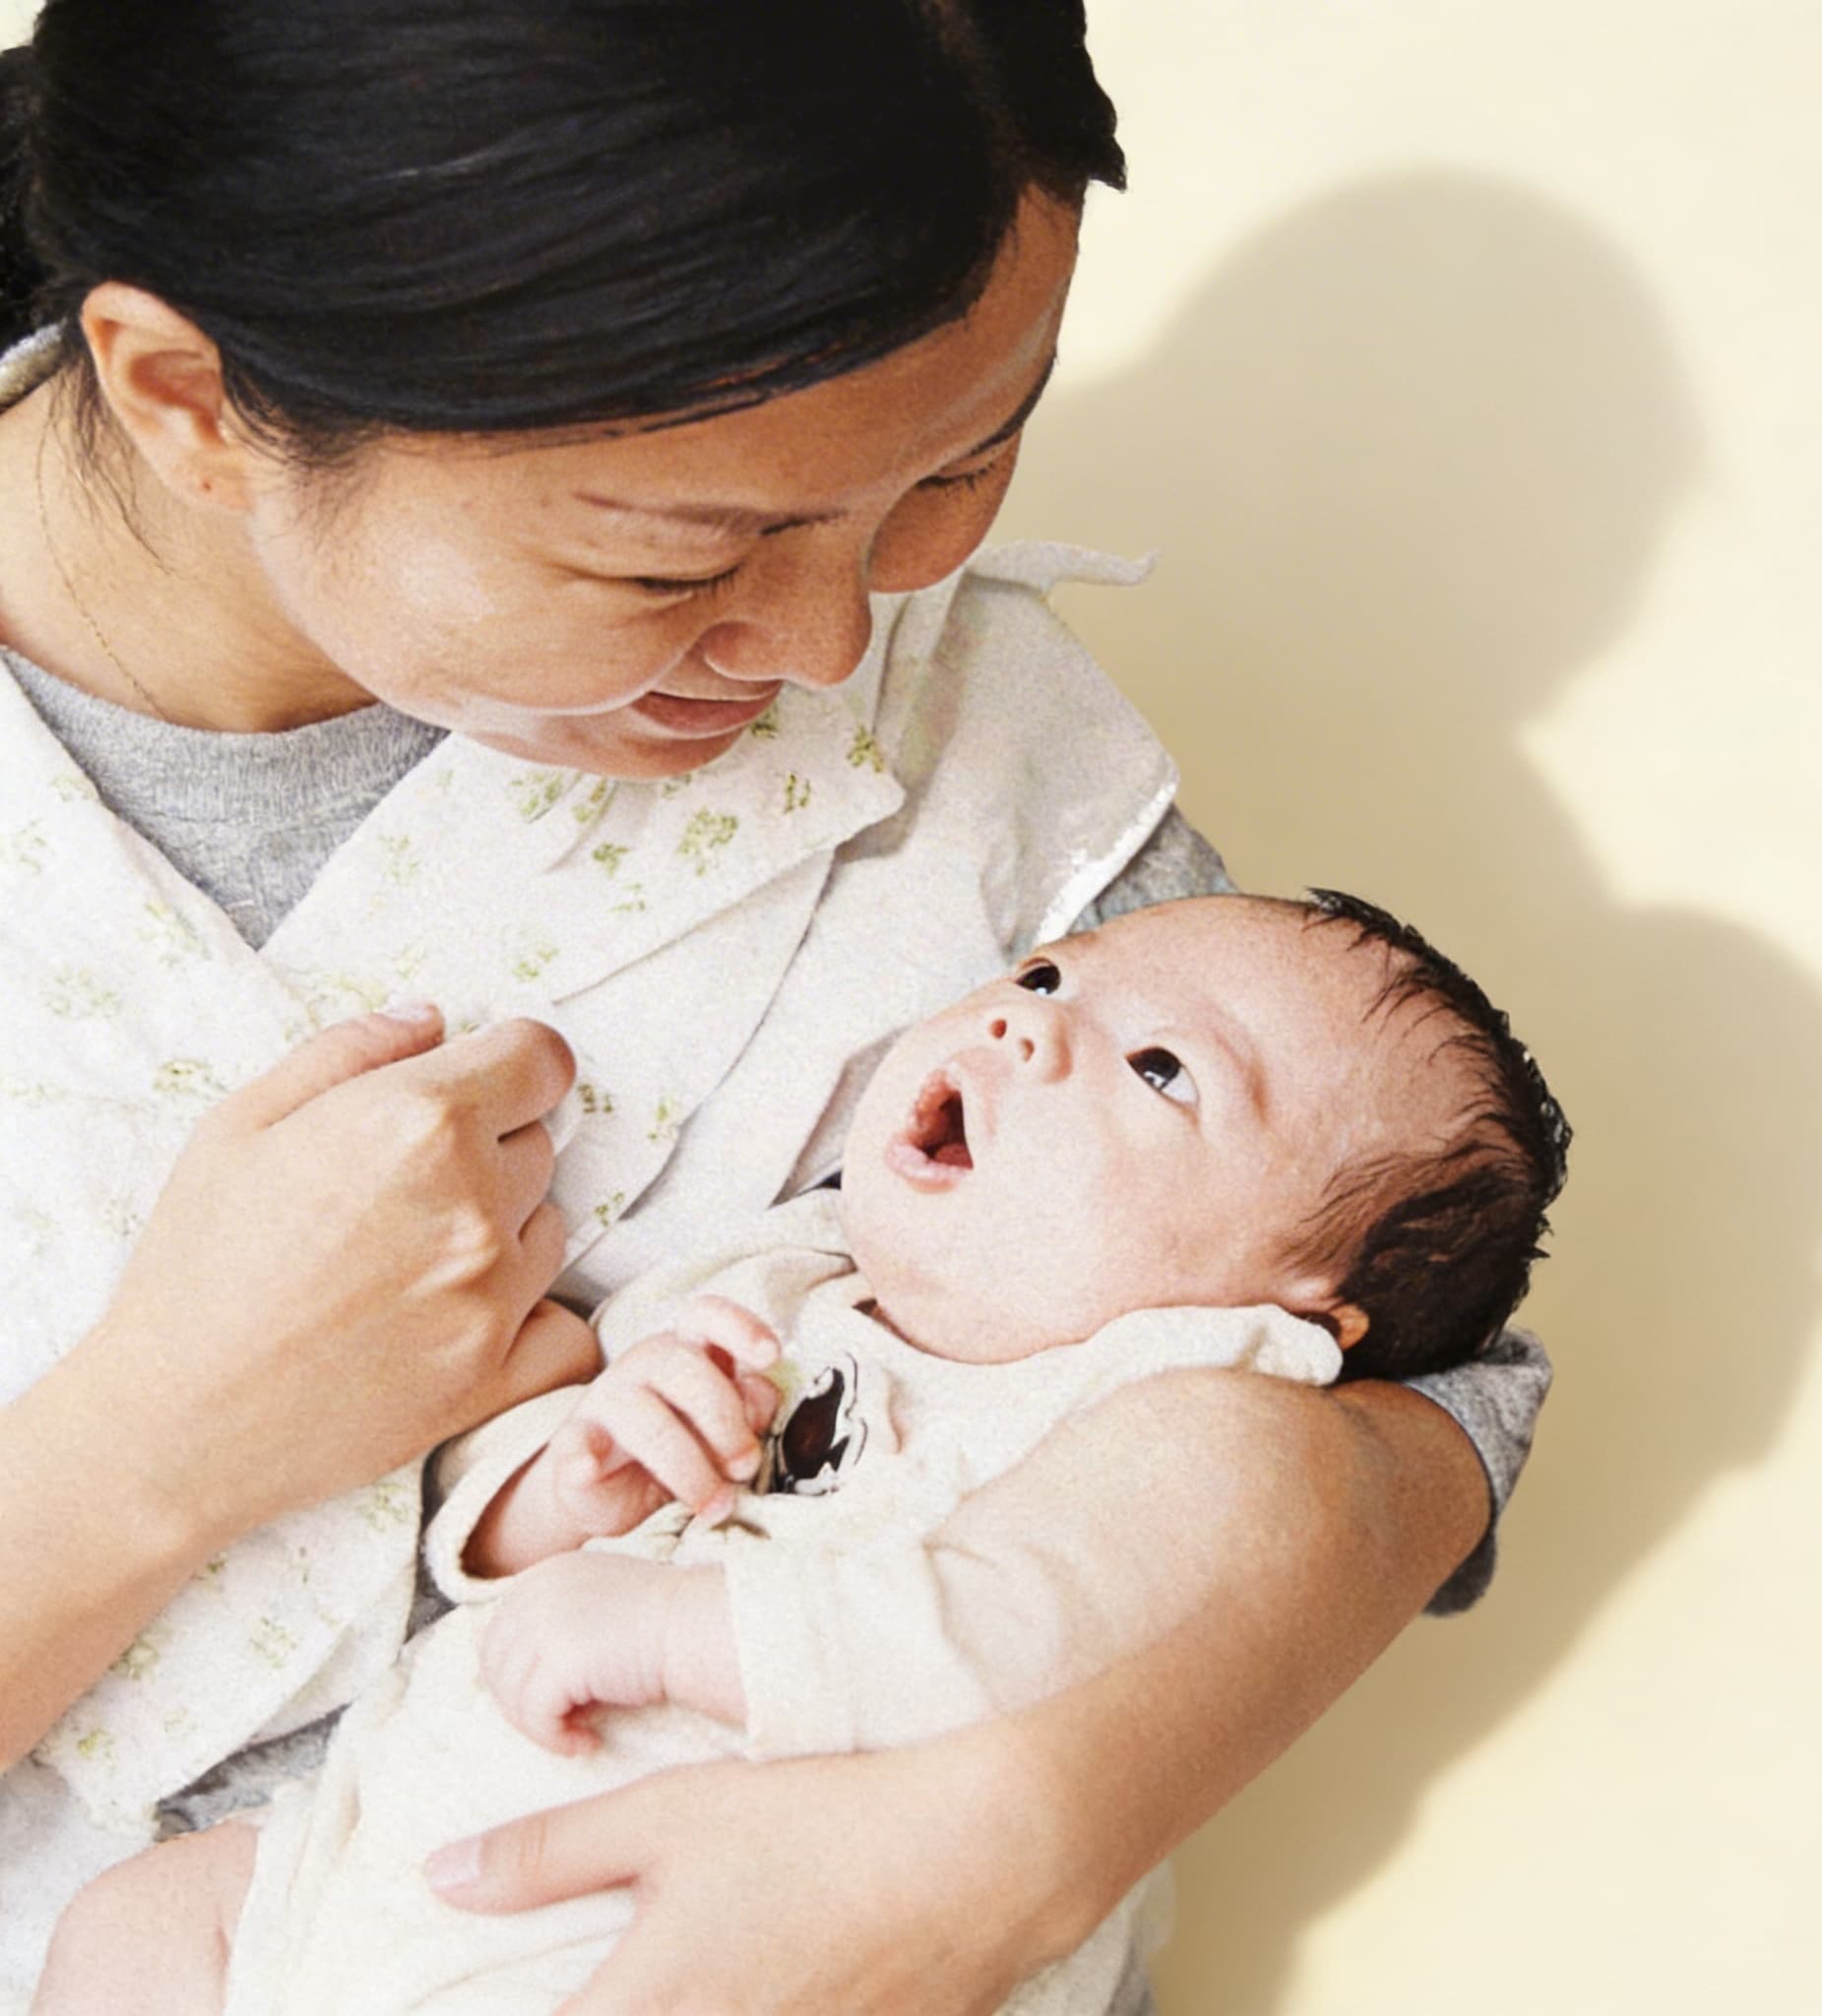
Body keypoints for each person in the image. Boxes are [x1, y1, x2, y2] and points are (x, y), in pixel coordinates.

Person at [0, 5, 1549, 2010]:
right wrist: (145, 1445)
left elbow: (1418, 1385)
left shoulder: (986, 744)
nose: (829, 642)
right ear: (188, 397)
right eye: (677, 561)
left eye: (963, 463)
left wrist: (1033, 1818)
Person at [32, 890, 1570, 2016]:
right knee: (140, 1925)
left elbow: (1010, 1640)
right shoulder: (785, 1281)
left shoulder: (1174, 1409)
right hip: (376, 1871)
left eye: (1161, 1069)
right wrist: (569, 1479)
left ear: (1294, 1311)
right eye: (1048, 973)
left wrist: (677, 1629)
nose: (1026, 1019)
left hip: (695, 1940)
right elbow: (485, 1559)